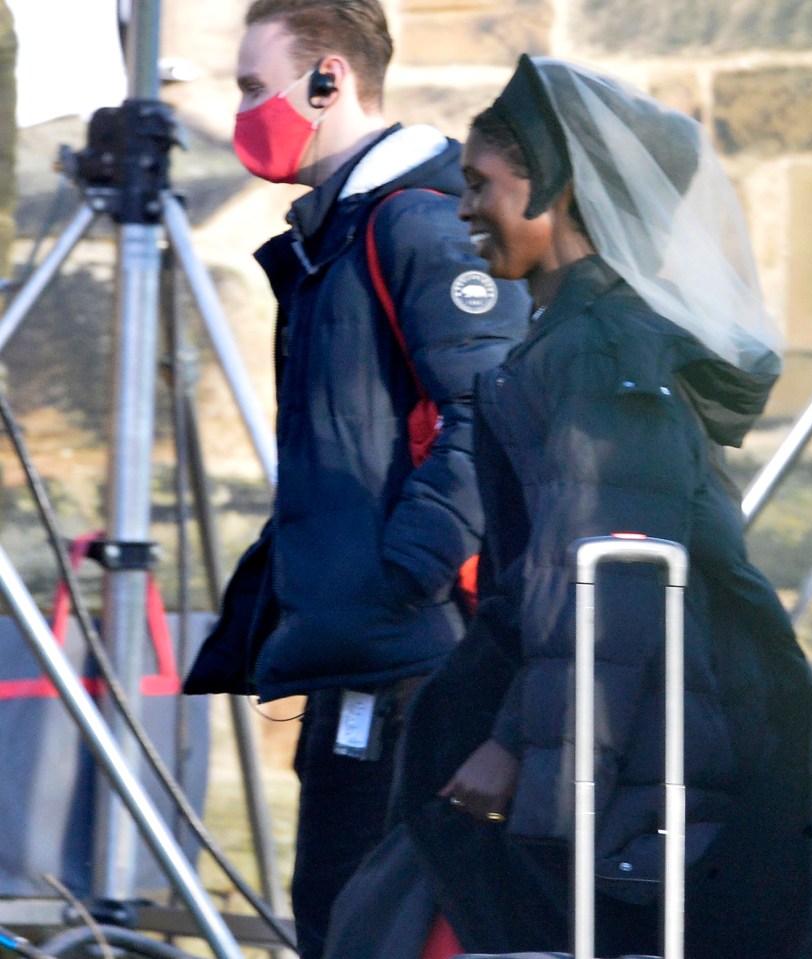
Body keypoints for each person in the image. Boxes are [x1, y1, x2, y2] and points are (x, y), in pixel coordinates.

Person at [322, 55, 812, 959]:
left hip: (648, 740)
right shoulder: (566, 342)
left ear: (558, 188)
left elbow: (615, 579)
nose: (463, 207)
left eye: (482, 185)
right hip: (612, 724)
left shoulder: (602, 351)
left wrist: (522, 750)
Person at [182, 4, 530, 958]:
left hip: (409, 650)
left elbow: (485, 413)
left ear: (328, 80)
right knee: (337, 916)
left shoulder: (417, 221)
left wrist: (398, 572)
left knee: (367, 922)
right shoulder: (332, 233)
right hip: (357, 649)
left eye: (256, 87)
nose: (245, 109)